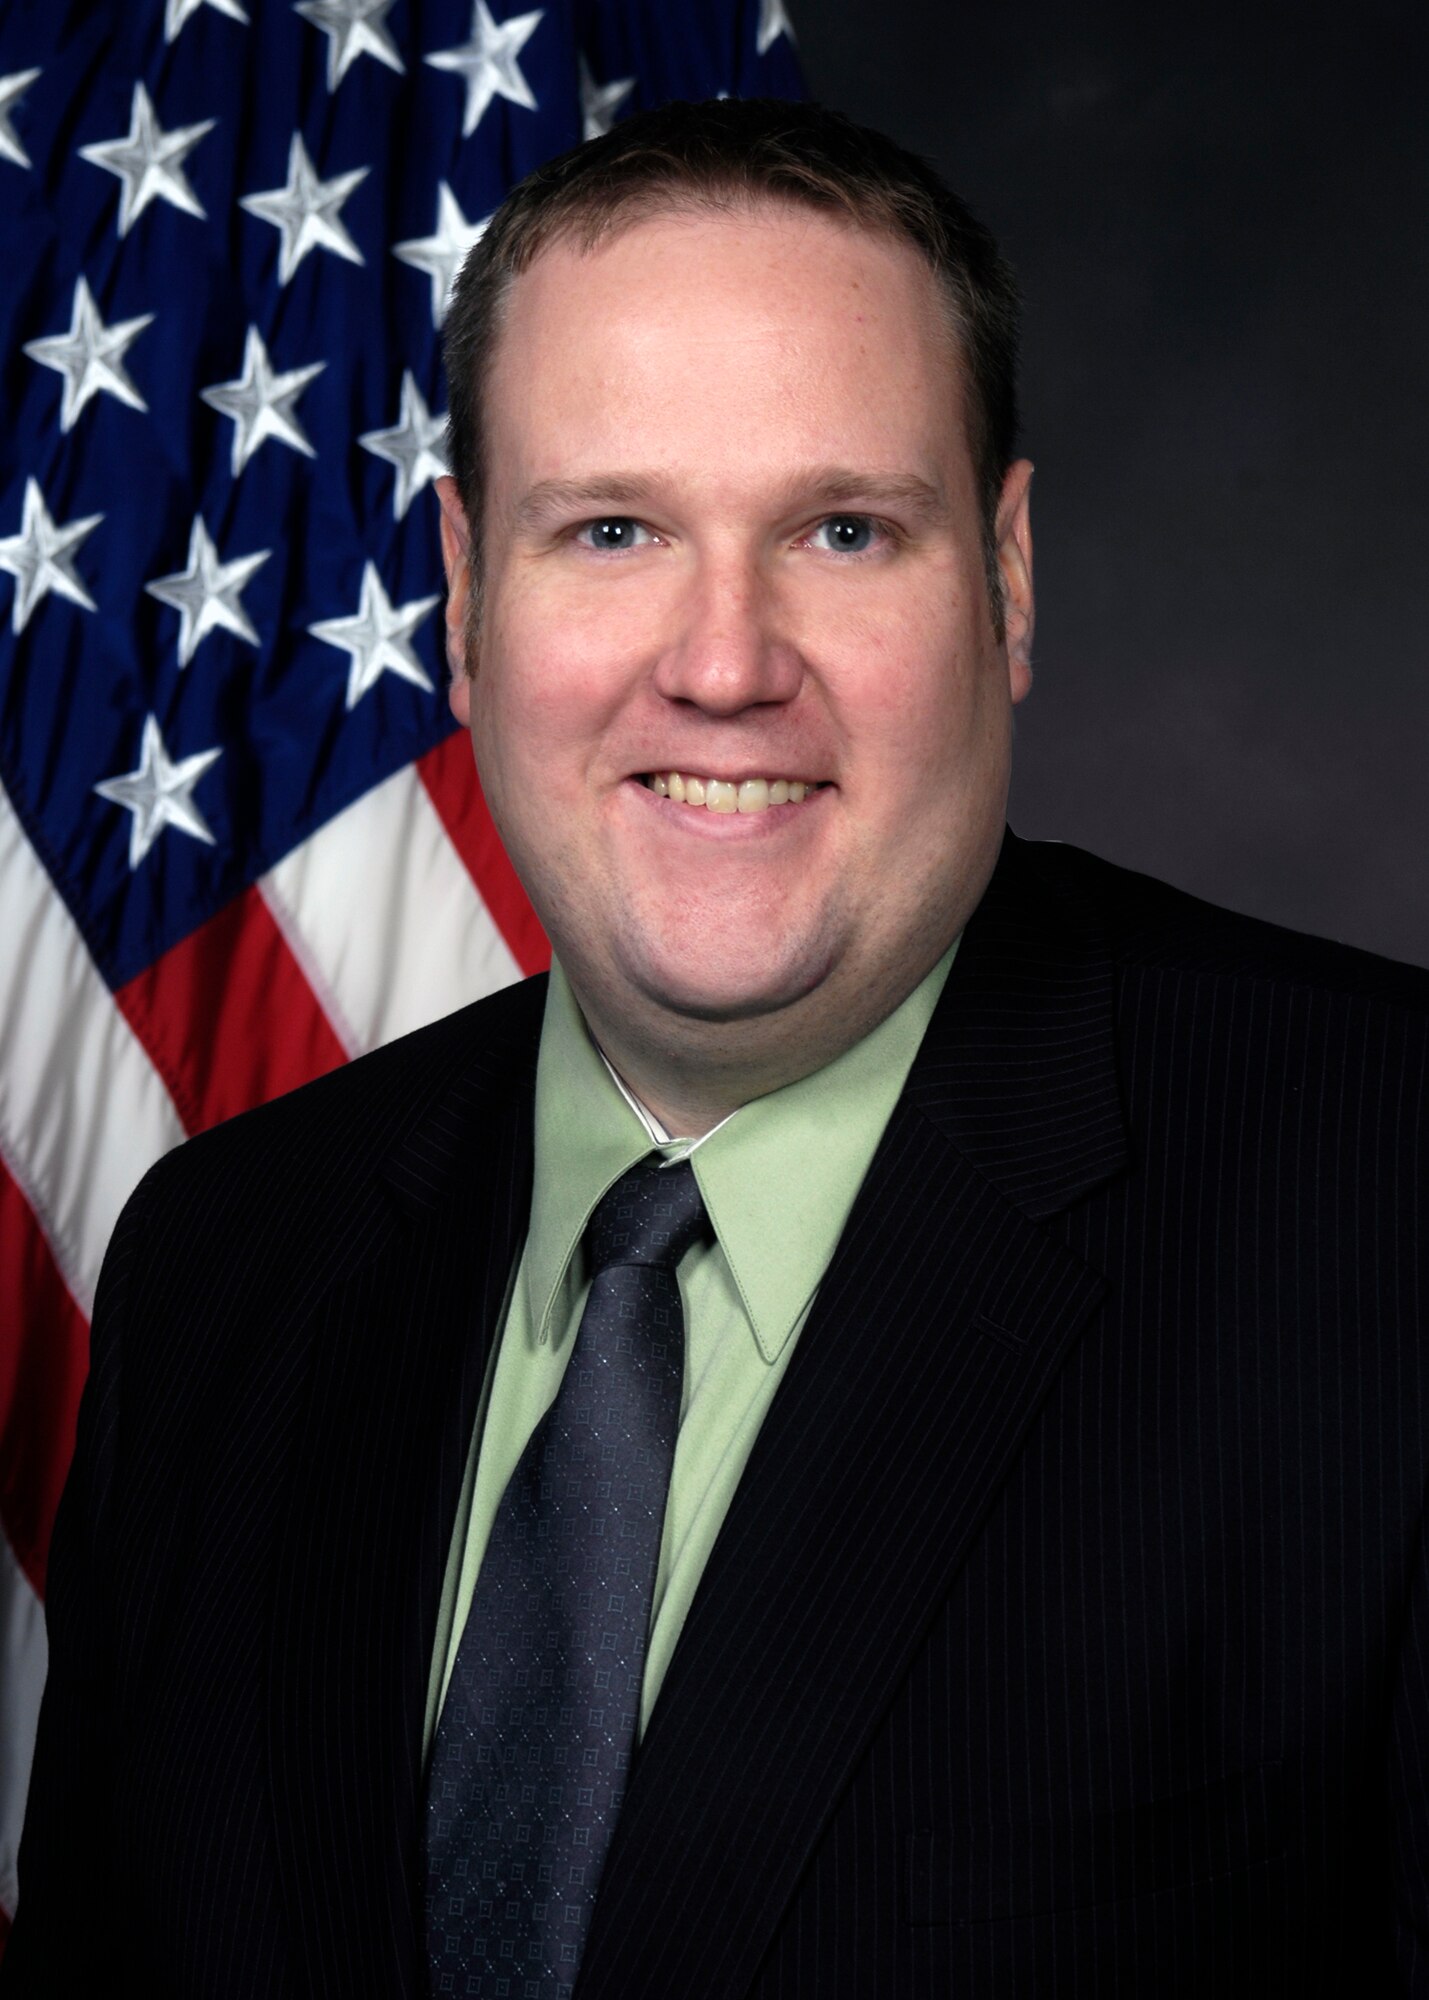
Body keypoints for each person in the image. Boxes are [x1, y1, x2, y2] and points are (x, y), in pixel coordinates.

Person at [6, 96, 1429, 2000]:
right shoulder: (227, 1264)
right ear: (465, 594)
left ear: (1004, 578)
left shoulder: (1389, 1205)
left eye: (842, 529)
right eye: (611, 528)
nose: (727, 660)